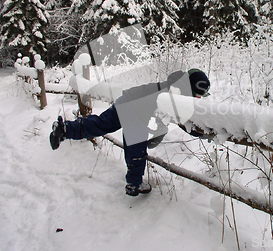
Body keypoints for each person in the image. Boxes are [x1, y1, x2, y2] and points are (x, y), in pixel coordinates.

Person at [49, 69, 210, 196]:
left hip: (126, 100)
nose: (199, 99)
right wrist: (203, 133)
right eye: (199, 95)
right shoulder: (177, 94)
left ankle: (65, 129)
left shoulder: (174, 86)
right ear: (194, 88)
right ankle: (134, 184)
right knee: (137, 148)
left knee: (101, 124)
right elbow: (183, 121)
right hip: (136, 111)